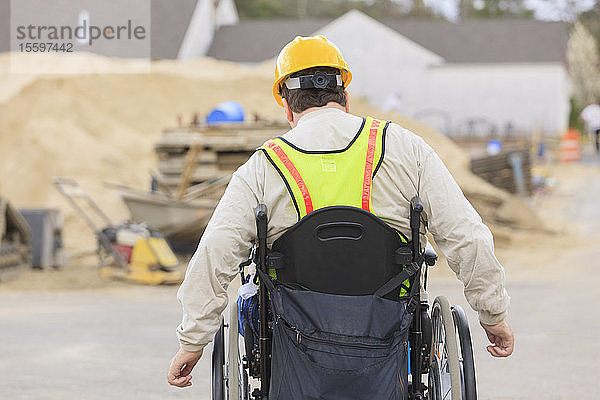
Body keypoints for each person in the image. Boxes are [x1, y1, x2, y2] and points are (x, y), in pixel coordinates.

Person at [167, 35, 514, 388]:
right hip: (389, 327)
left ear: (287, 108)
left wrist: (193, 341)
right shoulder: (406, 148)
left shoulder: (264, 166)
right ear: (345, 98)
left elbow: (214, 253)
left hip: (294, 336)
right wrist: (493, 312)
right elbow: (466, 235)